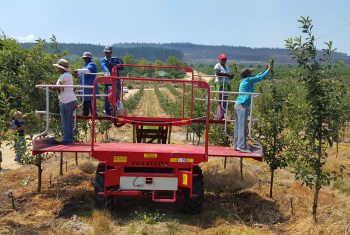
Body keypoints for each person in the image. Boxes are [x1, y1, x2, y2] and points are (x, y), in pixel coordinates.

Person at [233, 64, 273, 153]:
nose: (251, 73)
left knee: (237, 127)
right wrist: (268, 70)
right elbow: (260, 78)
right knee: (242, 127)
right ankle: (241, 146)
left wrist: (265, 69)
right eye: (250, 72)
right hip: (243, 105)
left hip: (237, 105)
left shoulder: (244, 80)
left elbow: (257, 76)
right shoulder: (248, 80)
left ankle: (236, 145)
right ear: (248, 74)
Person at [53, 59, 78, 145]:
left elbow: (57, 87)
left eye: (58, 67)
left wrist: (49, 86)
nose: (58, 69)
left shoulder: (63, 76)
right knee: (69, 121)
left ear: (62, 68)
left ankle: (67, 140)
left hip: (66, 101)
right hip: (73, 100)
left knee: (65, 122)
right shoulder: (69, 75)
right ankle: (69, 139)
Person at [100, 46, 124, 116]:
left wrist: (115, 65)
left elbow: (122, 67)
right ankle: (108, 112)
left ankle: (116, 111)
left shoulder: (115, 60)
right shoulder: (103, 60)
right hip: (108, 80)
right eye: (105, 53)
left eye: (108, 52)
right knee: (108, 95)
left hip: (116, 80)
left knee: (117, 95)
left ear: (111, 52)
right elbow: (103, 66)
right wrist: (107, 70)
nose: (107, 54)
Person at [214, 54, 235, 120]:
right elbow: (217, 73)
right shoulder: (218, 65)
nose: (223, 61)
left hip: (225, 85)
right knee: (221, 100)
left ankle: (220, 115)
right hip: (220, 84)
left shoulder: (227, 67)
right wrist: (227, 75)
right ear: (219, 60)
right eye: (222, 59)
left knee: (224, 101)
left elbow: (228, 76)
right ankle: (220, 116)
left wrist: (231, 76)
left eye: (224, 59)